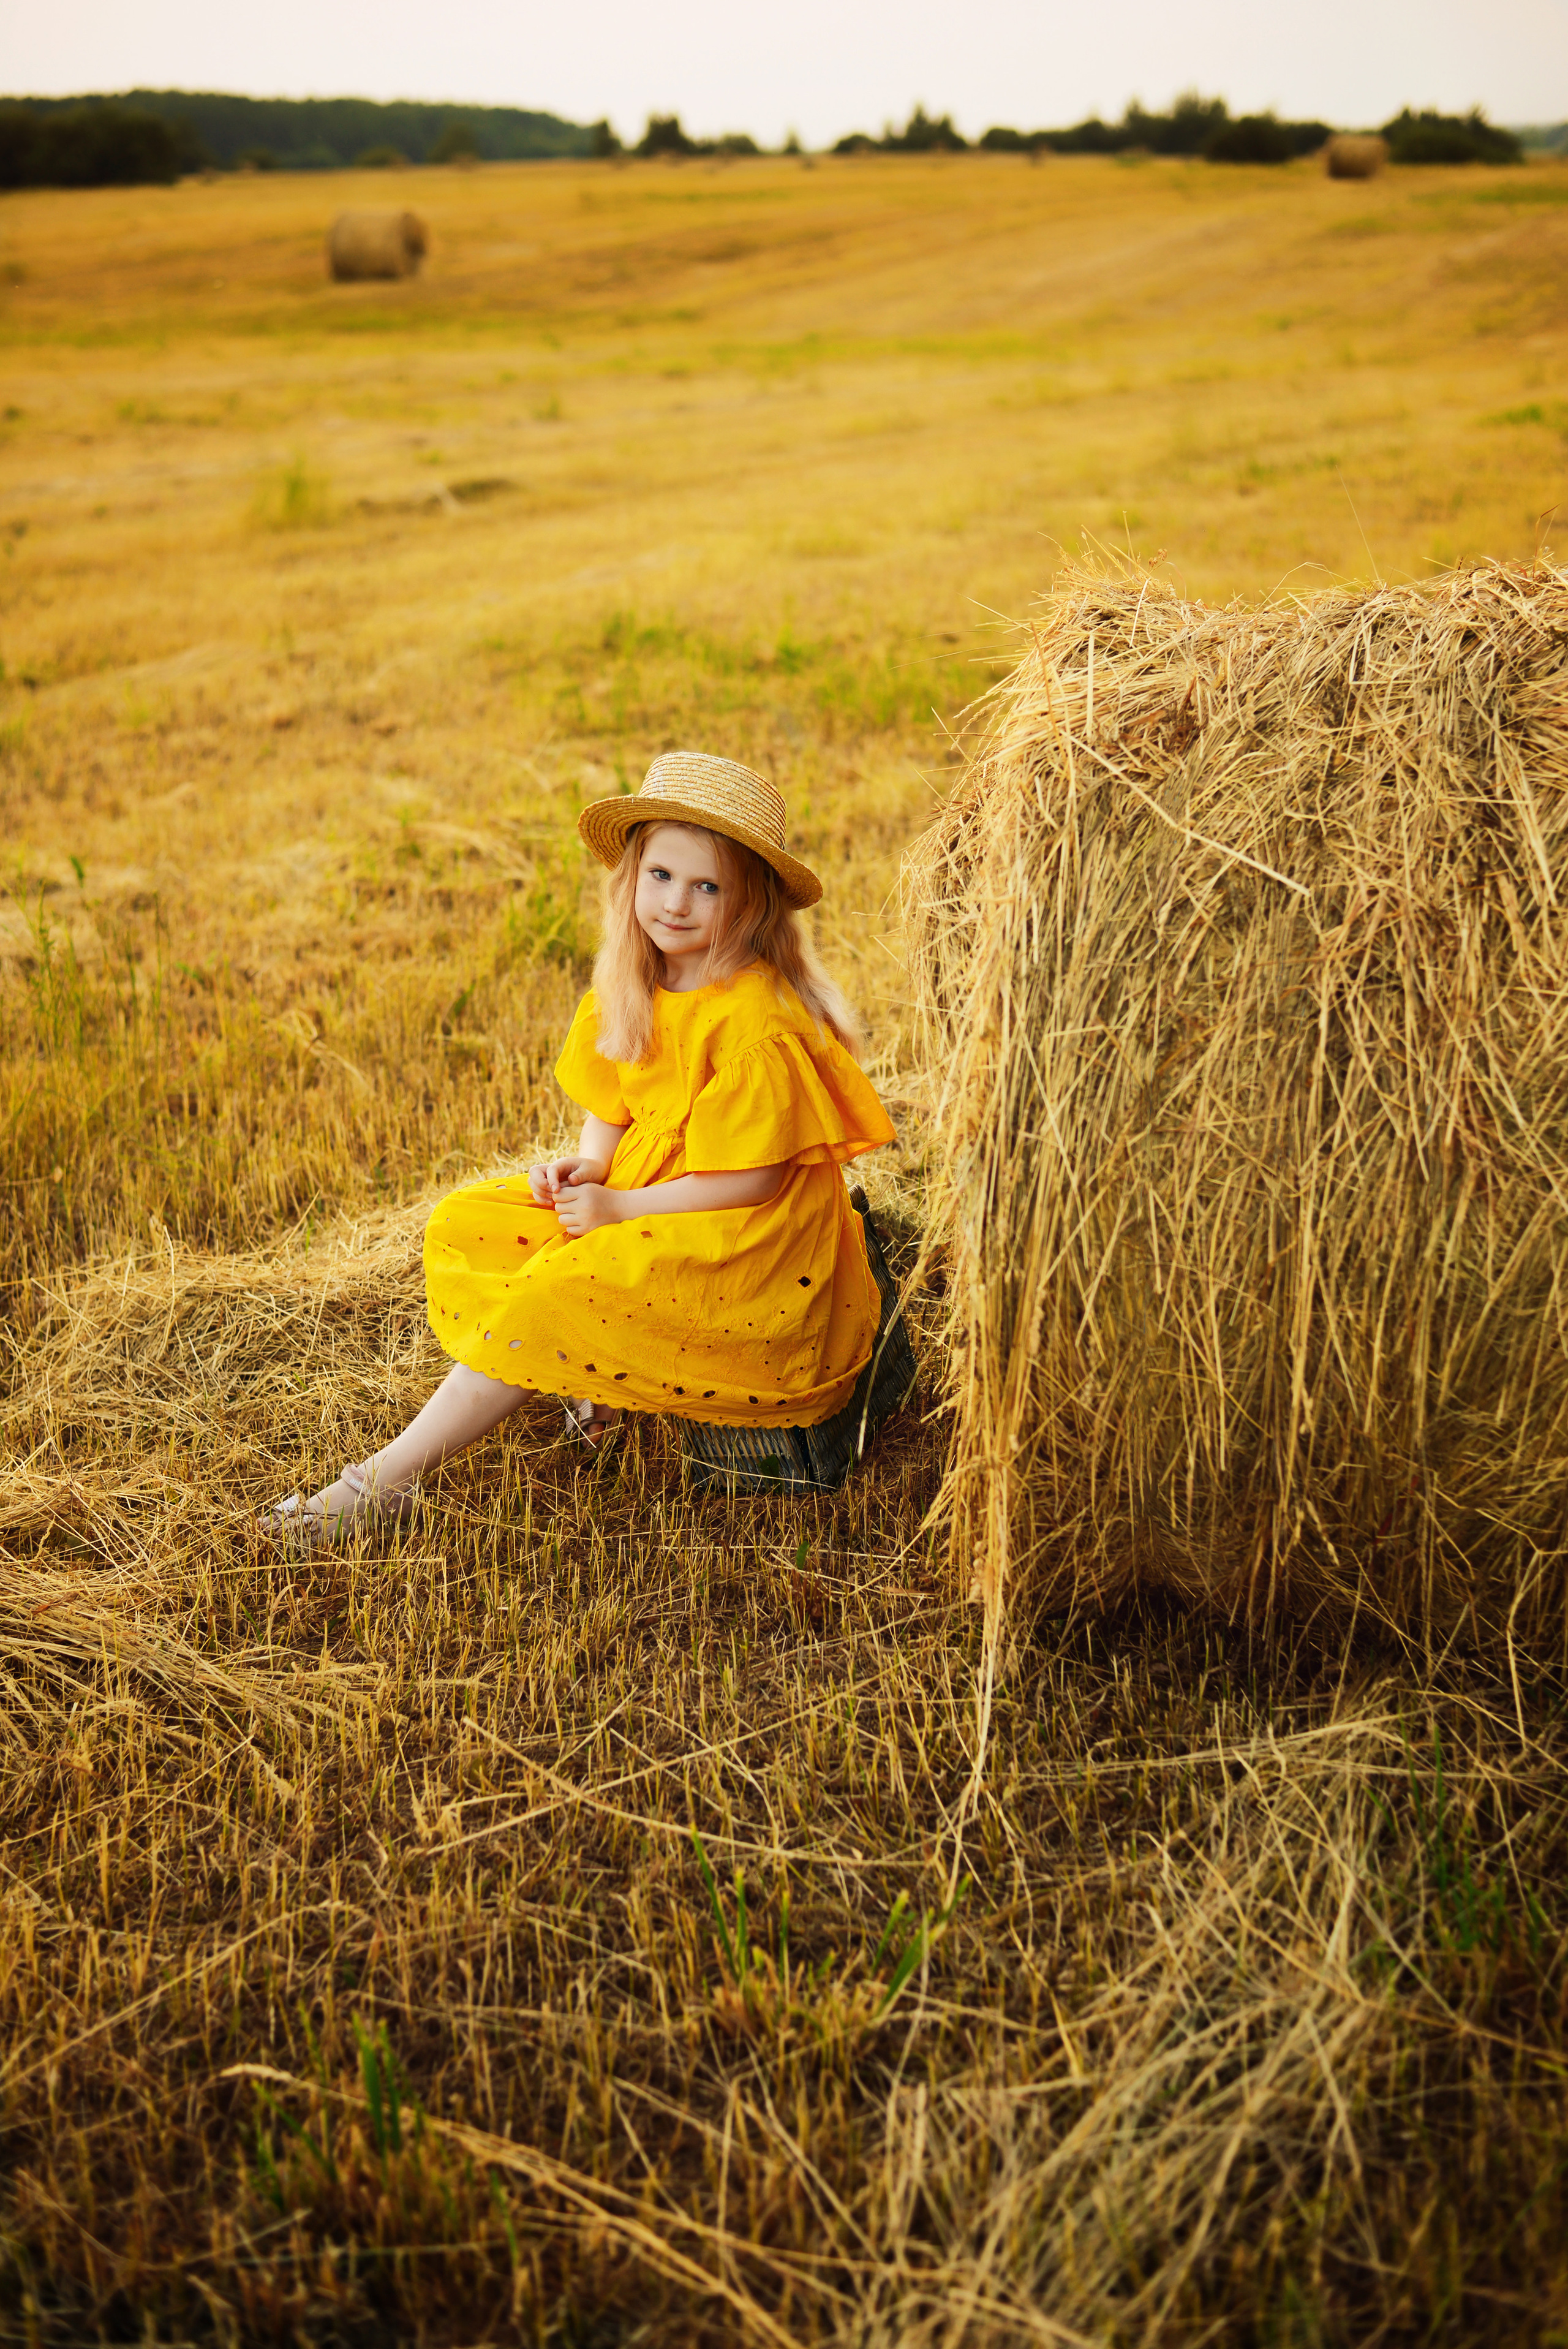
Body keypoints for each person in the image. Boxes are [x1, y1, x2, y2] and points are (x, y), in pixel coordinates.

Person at [266, 751, 897, 1546]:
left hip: (744, 1231)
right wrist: (591, 1165)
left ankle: (381, 1483)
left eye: (708, 887)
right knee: (478, 1223)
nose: (676, 903)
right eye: (662, 875)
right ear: (629, 878)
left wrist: (619, 1206)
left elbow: (751, 1178)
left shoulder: (753, 1017)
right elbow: (614, 1099)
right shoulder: (635, 977)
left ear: (750, 905)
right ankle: (592, 1372)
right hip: (649, 1189)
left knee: (549, 1291)